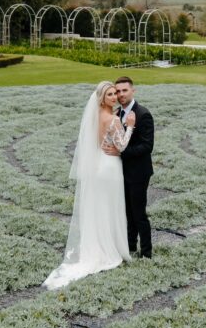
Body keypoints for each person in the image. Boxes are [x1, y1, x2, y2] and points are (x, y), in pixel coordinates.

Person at [43, 81, 136, 290]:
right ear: (102, 98)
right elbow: (122, 145)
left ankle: (98, 246)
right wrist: (130, 125)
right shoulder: (113, 119)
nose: (115, 97)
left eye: (115, 93)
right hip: (110, 167)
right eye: (110, 94)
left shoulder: (96, 117)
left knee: (100, 208)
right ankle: (110, 249)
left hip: (99, 165)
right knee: (111, 208)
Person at [103, 76, 154, 259]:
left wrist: (121, 153)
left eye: (125, 90)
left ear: (133, 91)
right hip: (121, 172)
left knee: (139, 213)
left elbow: (147, 146)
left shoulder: (143, 114)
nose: (121, 94)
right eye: (118, 91)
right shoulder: (116, 114)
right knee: (127, 212)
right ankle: (130, 246)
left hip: (139, 172)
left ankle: (146, 252)